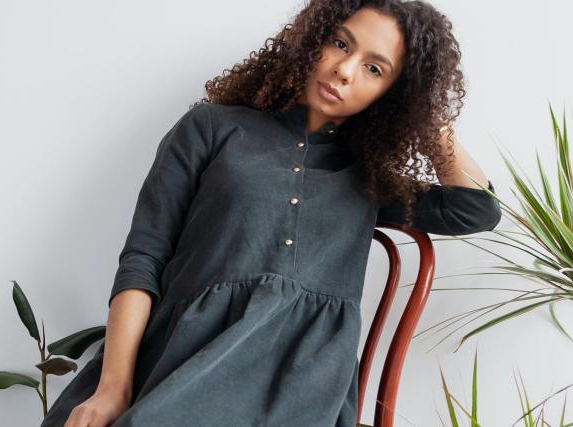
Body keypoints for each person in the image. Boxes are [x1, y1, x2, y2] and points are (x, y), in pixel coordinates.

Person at [43, 1, 500, 426]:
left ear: (391, 93)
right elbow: (143, 258)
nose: (343, 70)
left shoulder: (369, 177)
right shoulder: (212, 128)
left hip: (299, 385)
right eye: (340, 43)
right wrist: (113, 386)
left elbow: (475, 209)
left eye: (374, 69)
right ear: (311, 39)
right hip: (182, 360)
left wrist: (423, 107)